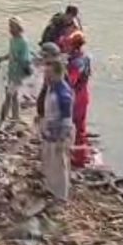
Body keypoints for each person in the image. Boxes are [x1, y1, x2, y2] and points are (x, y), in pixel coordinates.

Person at [36, 57, 73, 201]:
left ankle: (61, 195)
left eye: (49, 74)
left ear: (57, 74)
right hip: (49, 132)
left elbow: (67, 120)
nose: (46, 77)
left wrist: (63, 139)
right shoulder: (52, 87)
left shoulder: (63, 94)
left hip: (58, 135)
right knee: (49, 162)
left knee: (59, 165)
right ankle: (50, 188)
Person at [0, 16, 32, 123]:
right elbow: (11, 54)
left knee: (8, 95)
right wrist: (0, 59)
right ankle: (15, 116)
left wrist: (17, 59)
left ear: (18, 28)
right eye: (10, 27)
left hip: (19, 73)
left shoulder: (24, 42)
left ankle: (2, 119)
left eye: (12, 27)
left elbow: (26, 60)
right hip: (11, 71)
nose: (10, 29)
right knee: (14, 95)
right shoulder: (12, 40)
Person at [66, 31, 92, 167]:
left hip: (76, 96)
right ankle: (83, 155)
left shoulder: (75, 63)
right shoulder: (86, 57)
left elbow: (71, 81)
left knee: (75, 126)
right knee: (81, 126)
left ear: (73, 45)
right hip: (84, 93)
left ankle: (78, 158)